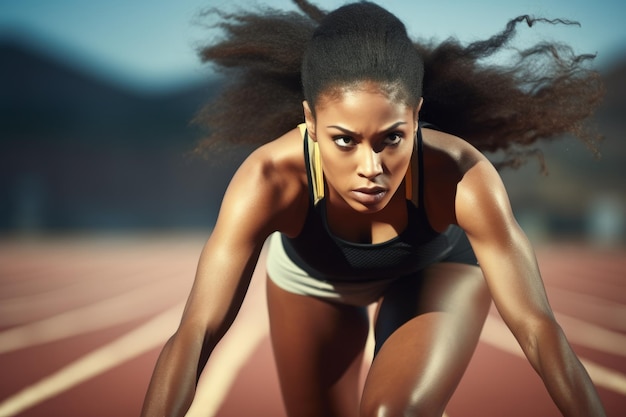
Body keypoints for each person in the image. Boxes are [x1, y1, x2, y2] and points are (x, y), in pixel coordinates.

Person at [141, 1, 607, 416]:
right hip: (313, 283)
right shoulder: (270, 180)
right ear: (311, 121)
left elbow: (536, 327)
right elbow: (196, 331)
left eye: (392, 139)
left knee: (391, 412)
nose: (372, 168)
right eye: (345, 140)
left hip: (436, 271)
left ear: (417, 116)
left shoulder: (460, 175)